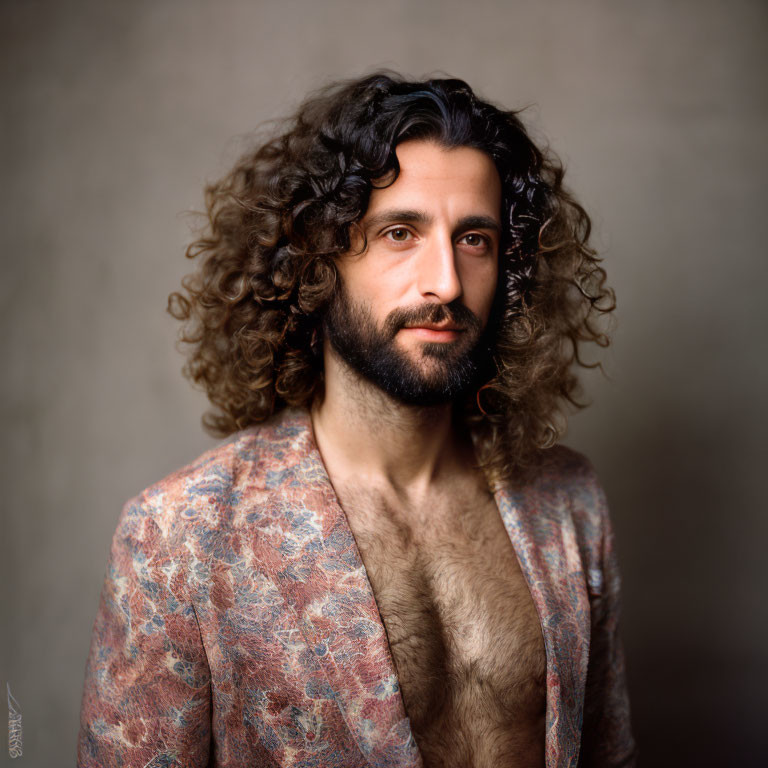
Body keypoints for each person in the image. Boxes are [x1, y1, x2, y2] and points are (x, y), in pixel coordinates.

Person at [77, 72, 637, 768]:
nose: (446, 283)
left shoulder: (568, 505)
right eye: (400, 232)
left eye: (475, 240)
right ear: (317, 259)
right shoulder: (180, 538)